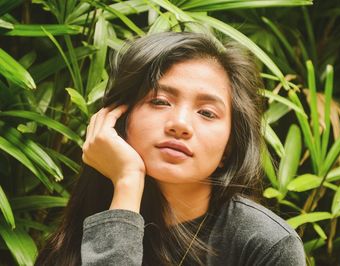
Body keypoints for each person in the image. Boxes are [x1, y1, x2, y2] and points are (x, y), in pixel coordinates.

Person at [35, 31, 306, 266]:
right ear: (119, 119)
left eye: (207, 113)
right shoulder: (92, 216)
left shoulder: (265, 244)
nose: (180, 124)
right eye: (161, 102)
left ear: (229, 146)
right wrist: (127, 184)